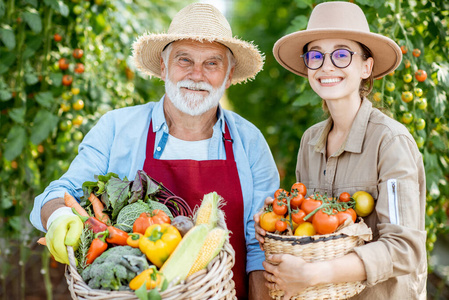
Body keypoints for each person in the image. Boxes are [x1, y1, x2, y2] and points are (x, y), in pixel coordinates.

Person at [30, 3, 279, 299]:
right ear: (163, 66)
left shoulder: (249, 141)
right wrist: (58, 216)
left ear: (228, 75)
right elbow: (59, 192)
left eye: (212, 63)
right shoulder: (116, 128)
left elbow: (260, 247)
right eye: (184, 60)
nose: (197, 74)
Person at [254, 2, 427, 299]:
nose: (327, 66)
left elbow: (404, 249)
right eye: (316, 55)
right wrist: (277, 225)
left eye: (342, 54)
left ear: (366, 67)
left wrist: (313, 275)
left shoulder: (390, 141)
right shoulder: (310, 143)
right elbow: (311, 227)